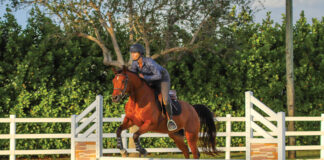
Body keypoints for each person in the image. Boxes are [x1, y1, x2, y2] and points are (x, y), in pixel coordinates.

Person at [129, 43, 177, 131]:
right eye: (132, 53)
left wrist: (144, 77)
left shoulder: (149, 62)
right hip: (150, 80)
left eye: (134, 53)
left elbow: (158, 76)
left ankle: (170, 120)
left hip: (162, 78)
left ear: (140, 53)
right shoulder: (134, 64)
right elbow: (133, 76)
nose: (132, 55)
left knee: (165, 99)